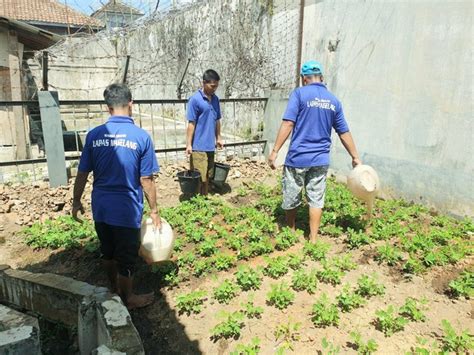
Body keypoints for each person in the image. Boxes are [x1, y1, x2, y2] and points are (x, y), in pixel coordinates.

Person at [72, 83, 161, 310]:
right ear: (131, 104)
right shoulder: (141, 137)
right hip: (126, 209)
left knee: (108, 250)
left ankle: (113, 291)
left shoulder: (94, 135)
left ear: (107, 107)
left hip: (101, 206)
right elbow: (146, 180)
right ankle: (128, 297)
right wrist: (154, 211)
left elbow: (82, 172)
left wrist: (76, 200)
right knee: (127, 256)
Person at [268, 60, 361, 243]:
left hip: (298, 158)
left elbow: (288, 123)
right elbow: (343, 131)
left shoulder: (300, 94)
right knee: (316, 198)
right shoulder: (333, 101)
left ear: (304, 79)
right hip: (320, 159)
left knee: (292, 194)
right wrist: (355, 157)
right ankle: (314, 238)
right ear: (322, 78)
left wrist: (275, 151)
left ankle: (291, 231)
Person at [186, 69, 224, 195]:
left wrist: (218, 137)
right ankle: (198, 200)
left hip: (210, 146)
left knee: (208, 174)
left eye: (216, 86)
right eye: (212, 86)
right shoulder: (195, 100)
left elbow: (217, 120)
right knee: (199, 175)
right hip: (198, 146)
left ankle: (205, 197)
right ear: (204, 83)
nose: (214, 89)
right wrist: (189, 144)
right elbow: (191, 123)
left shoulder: (215, 100)